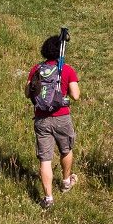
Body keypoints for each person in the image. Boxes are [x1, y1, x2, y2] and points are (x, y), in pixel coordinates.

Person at [25, 35, 80, 210]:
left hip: (41, 118)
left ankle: (48, 198)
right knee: (66, 149)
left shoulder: (36, 69)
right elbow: (76, 95)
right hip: (62, 116)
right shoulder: (66, 70)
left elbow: (27, 92)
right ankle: (65, 181)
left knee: (45, 159)